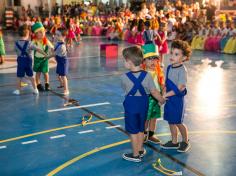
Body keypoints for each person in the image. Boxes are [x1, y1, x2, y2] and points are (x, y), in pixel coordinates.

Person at [121, 46, 165, 162]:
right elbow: (154, 91)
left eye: (125, 60)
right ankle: (140, 149)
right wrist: (161, 99)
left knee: (133, 132)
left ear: (129, 62)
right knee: (141, 129)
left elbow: (126, 91)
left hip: (131, 105)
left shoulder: (124, 77)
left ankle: (135, 155)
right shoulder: (148, 75)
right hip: (143, 105)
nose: (124, 62)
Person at [161, 40, 191, 153]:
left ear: (184, 58)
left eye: (176, 54)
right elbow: (166, 82)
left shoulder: (182, 70)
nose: (172, 56)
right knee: (170, 121)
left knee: (178, 122)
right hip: (169, 99)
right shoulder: (169, 67)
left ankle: (185, 141)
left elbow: (180, 87)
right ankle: (174, 142)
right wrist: (163, 91)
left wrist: (166, 95)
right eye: (172, 53)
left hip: (177, 100)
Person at [13, 24, 48, 95]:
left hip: (20, 61)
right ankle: (35, 89)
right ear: (28, 34)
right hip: (28, 62)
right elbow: (38, 49)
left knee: (19, 76)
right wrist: (45, 54)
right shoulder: (29, 43)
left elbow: (16, 51)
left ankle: (17, 90)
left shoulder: (16, 44)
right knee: (31, 76)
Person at [141, 43, 165, 144]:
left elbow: (162, 85)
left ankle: (150, 134)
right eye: (149, 59)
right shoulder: (143, 73)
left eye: (154, 59)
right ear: (144, 61)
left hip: (157, 98)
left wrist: (163, 93)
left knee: (154, 117)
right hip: (147, 99)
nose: (152, 61)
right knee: (146, 118)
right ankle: (142, 135)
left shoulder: (158, 72)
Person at [32, 22, 54, 91]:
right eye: (40, 32)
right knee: (38, 73)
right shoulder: (34, 41)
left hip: (44, 59)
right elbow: (30, 47)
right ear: (36, 34)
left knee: (45, 72)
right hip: (37, 59)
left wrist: (53, 52)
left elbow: (52, 47)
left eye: (43, 32)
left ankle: (47, 84)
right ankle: (38, 84)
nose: (42, 34)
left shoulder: (45, 40)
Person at [50, 28, 69, 95]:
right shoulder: (58, 43)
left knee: (63, 76)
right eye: (56, 34)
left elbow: (54, 53)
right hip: (59, 61)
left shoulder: (62, 46)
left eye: (58, 35)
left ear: (63, 37)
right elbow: (54, 49)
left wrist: (47, 57)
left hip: (63, 62)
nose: (56, 36)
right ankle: (61, 84)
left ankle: (66, 89)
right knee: (58, 74)